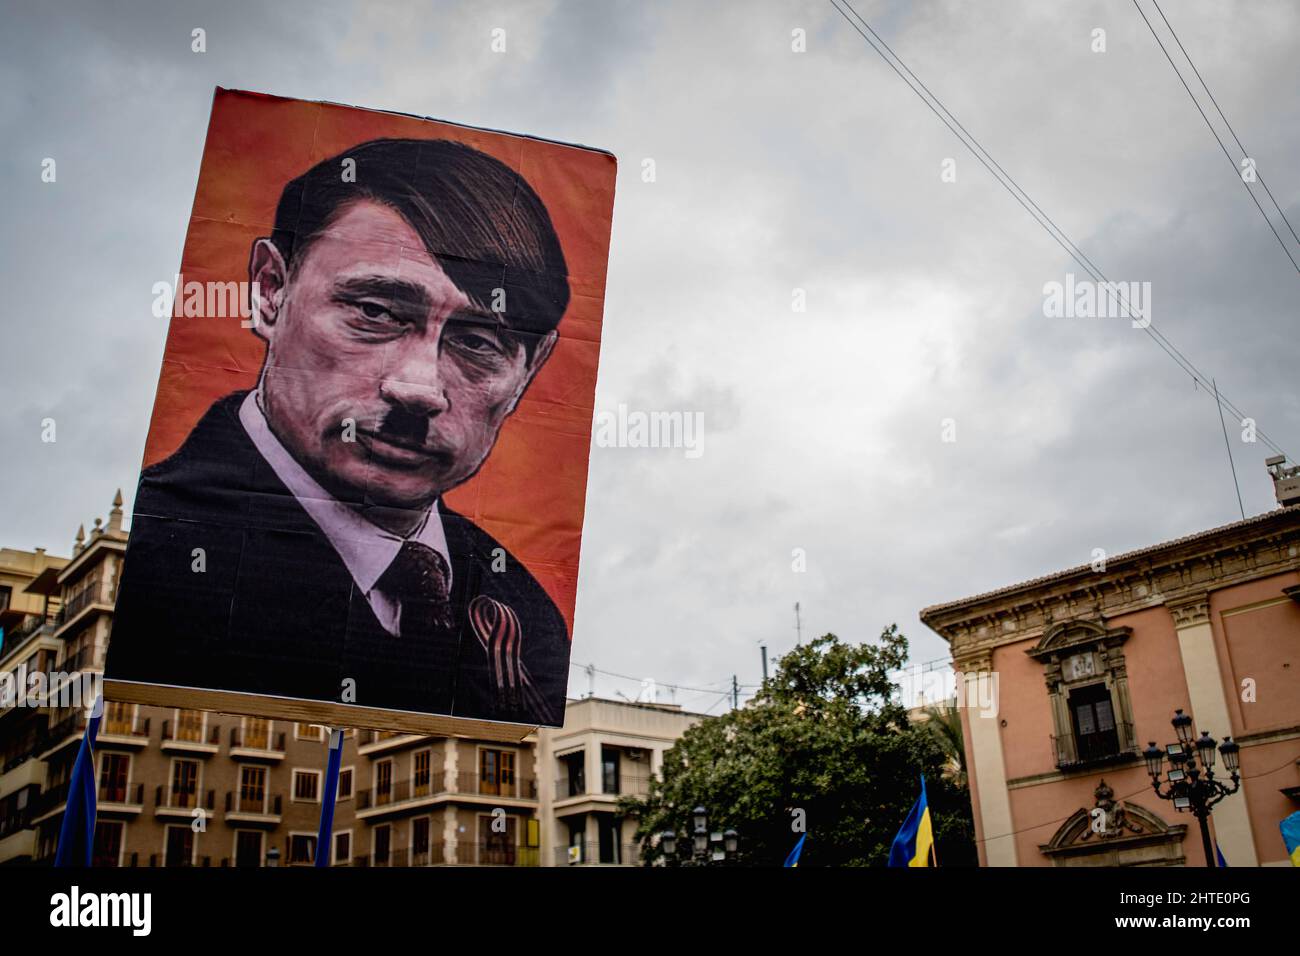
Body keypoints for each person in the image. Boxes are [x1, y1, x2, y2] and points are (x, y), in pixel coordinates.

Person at [109, 138, 573, 725]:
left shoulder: (523, 616)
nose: (419, 387)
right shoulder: (150, 561)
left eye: (479, 343)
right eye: (375, 312)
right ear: (270, 290)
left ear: (530, 370)